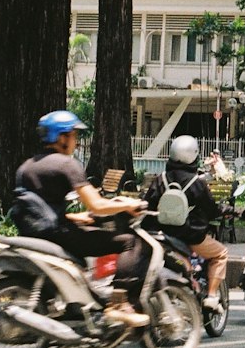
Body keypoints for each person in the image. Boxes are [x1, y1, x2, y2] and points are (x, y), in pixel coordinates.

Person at [14, 110, 150, 329]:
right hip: (58, 235)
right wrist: (129, 204)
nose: (76, 141)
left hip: (35, 233)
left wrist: (75, 217)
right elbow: (97, 205)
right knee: (129, 242)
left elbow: (39, 206)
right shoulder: (67, 164)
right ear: (61, 137)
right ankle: (119, 304)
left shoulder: (27, 166)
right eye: (74, 135)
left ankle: (74, 305)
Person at [145, 135, 229, 314]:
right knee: (221, 253)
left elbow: (147, 204)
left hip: (163, 235)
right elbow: (211, 210)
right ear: (193, 155)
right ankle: (212, 296)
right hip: (191, 236)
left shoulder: (160, 179)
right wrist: (223, 210)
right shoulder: (197, 183)